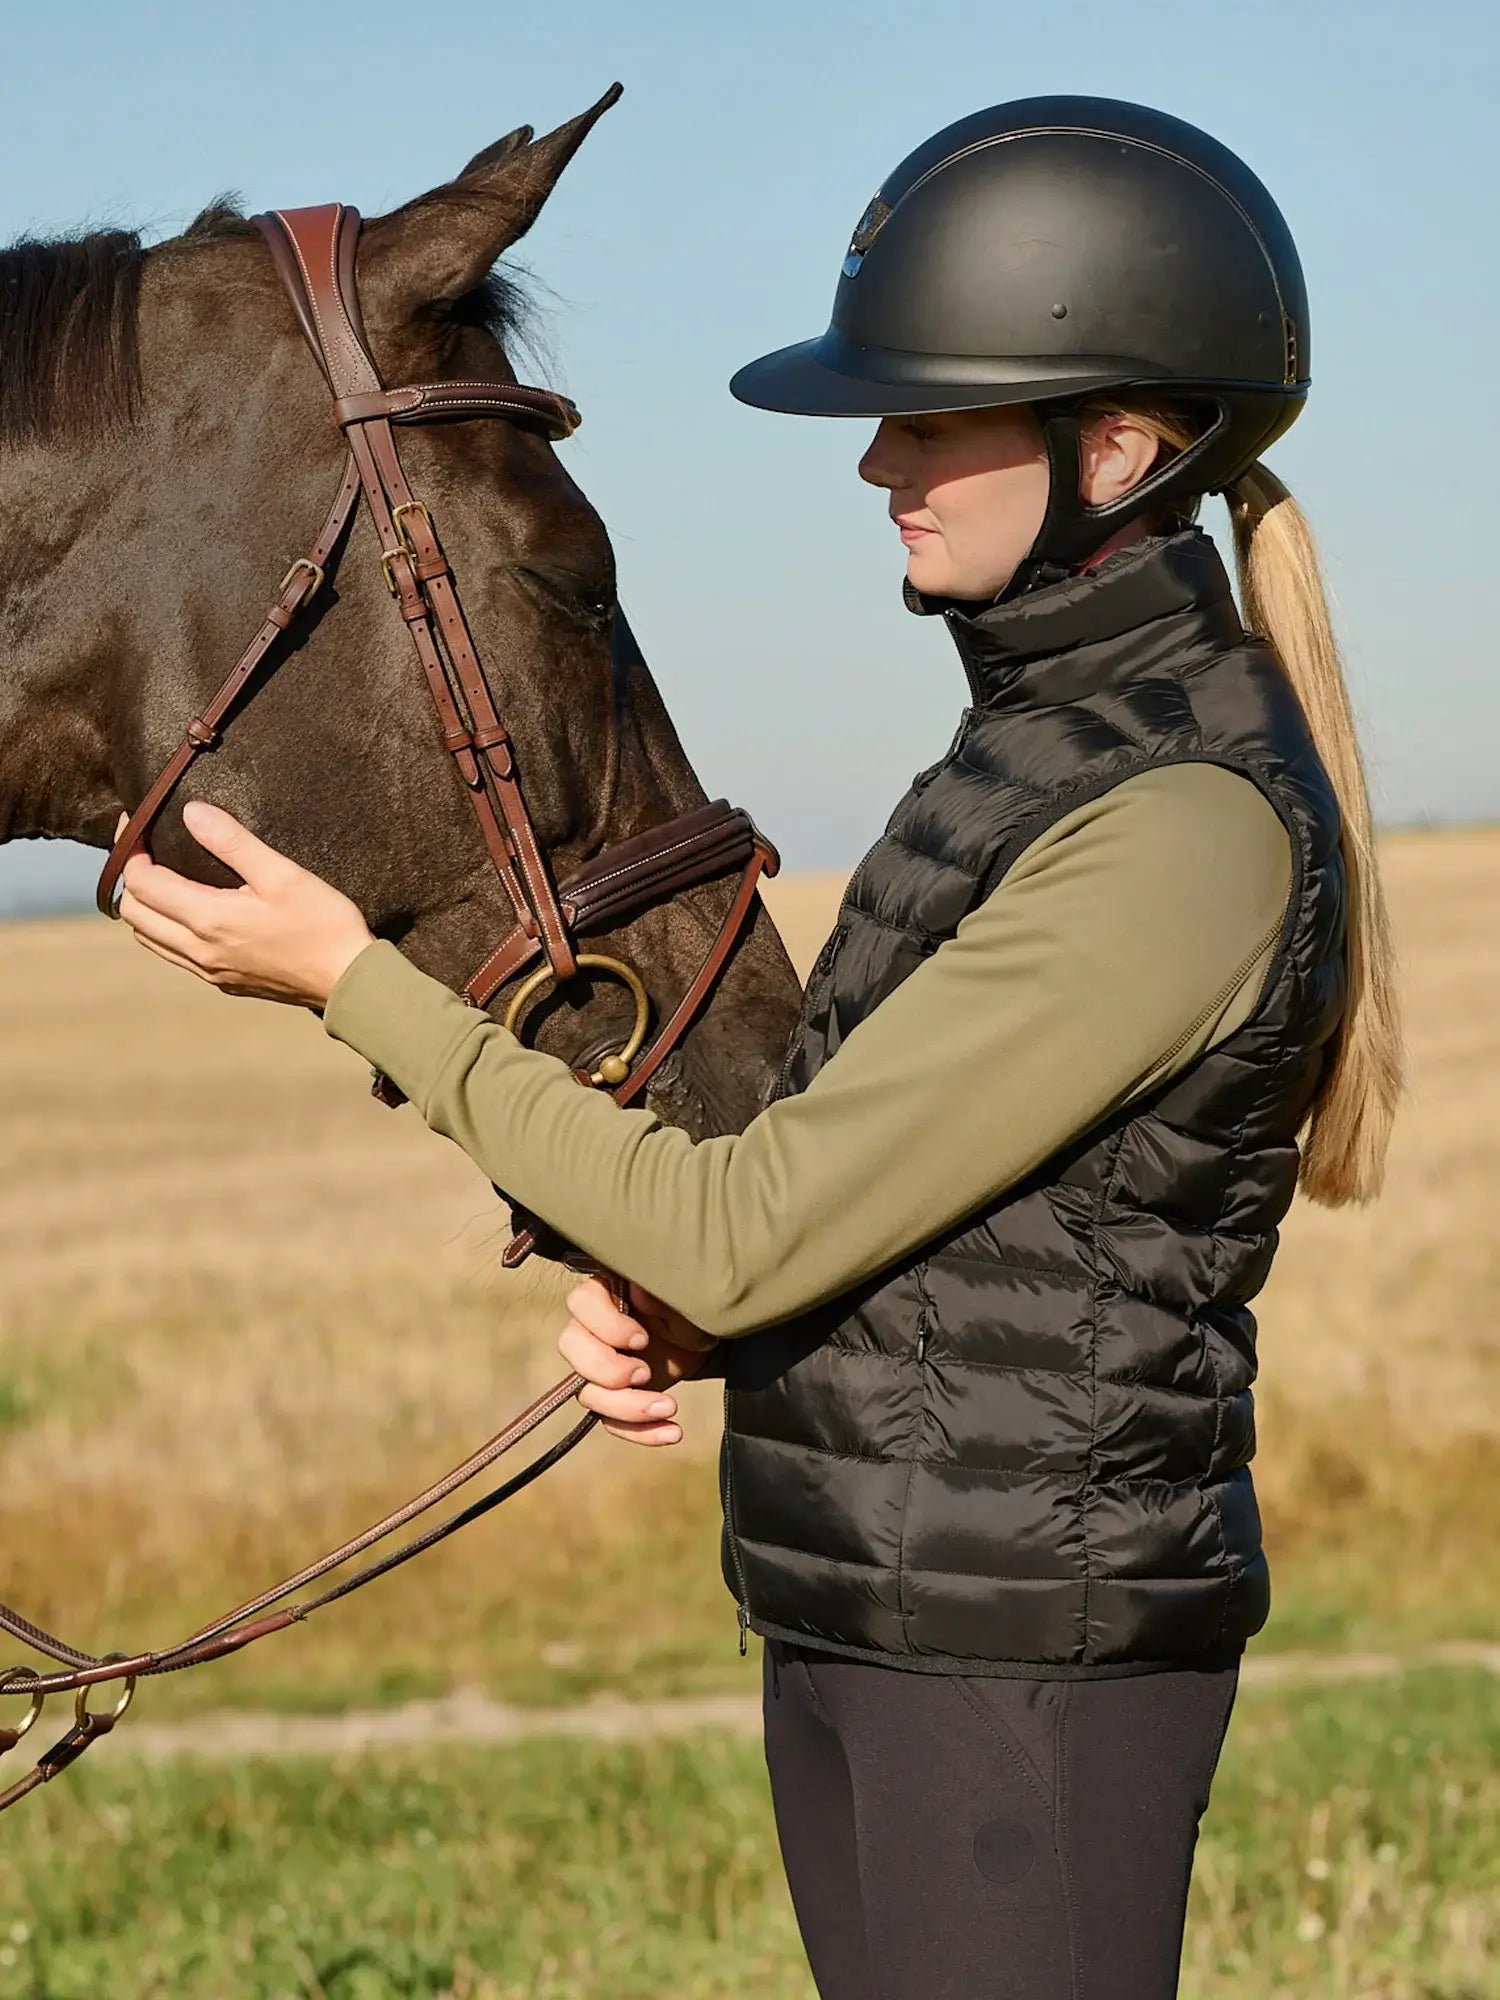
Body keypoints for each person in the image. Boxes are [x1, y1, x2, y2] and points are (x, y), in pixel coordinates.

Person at [117, 95, 1404, 2000]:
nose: (878, 457)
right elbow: (919, 1224)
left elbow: (746, 1222)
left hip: (1019, 1675)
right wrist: (708, 1323)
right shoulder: (1029, 762)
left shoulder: (1177, 823)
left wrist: (351, 980)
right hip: (882, 1623)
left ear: (1119, 444)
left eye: (930, 418)